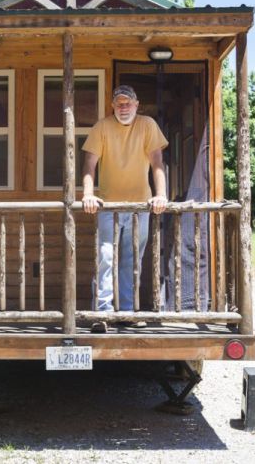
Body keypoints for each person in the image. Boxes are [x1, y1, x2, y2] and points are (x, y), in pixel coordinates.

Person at [81, 84, 168, 332]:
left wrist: (160, 195)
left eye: (128, 103)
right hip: (108, 205)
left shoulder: (148, 124)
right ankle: (102, 312)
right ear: (113, 106)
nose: (123, 107)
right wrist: (88, 194)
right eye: (119, 103)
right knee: (105, 257)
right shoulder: (102, 127)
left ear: (137, 105)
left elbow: (157, 162)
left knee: (132, 260)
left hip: (139, 205)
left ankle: (128, 311)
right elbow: (89, 163)